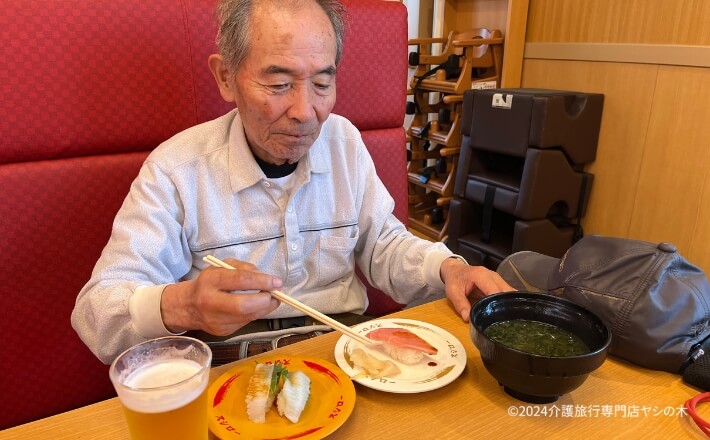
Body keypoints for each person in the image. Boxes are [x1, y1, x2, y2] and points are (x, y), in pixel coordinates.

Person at [71, 0, 513, 365]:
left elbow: (384, 245)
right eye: (280, 83)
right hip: (230, 363)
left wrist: (450, 268)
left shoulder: (344, 143)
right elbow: (97, 312)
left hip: (347, 352)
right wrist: (183, 305)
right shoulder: (177, 169)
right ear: (226, 76)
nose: (305, 111)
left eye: (322, 82)